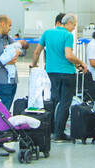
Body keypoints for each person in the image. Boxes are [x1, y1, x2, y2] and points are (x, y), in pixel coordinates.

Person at [32, 13, 86, 141]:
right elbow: (68, 55)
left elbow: (36, 52)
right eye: (74, 25)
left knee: (54, 100)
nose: (74, 28)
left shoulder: (47, 33)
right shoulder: (68, 35)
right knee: (65, 103)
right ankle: (59, 133)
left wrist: (33, 65)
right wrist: (81, 63)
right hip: (67, 73)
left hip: (51, 73)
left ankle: (49, 130)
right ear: (68, 23)